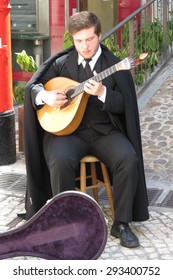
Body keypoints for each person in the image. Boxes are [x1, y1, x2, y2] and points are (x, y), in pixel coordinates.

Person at [23, 11, 149, 248]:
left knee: (128, 158)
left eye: (90, 39)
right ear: (73, 39)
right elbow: (34, 87)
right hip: (69, 133)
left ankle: (121, 223)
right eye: (79, 40)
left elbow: (126, 105)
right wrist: (46, 96)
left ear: (99, 35)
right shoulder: (62, 64)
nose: (85, 46)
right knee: (59, 159)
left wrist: (103, 93)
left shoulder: (114, 65)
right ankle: (64, 223)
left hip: (104, 132)